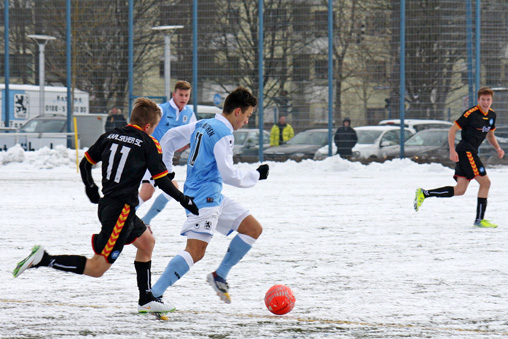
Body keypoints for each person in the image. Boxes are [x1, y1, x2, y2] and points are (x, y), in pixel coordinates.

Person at [13, 97, 199, 315]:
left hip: (112, 206)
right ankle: (44, 259)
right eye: (154, 127)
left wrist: (90, 187)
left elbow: (85, 163)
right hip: (119, 212)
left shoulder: (109, 135)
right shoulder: (149, 143)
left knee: (147, 242)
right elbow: (162, 180)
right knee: (97, 268)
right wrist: (183, 198)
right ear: (148, 126)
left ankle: (146, 299)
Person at [151, 87, 269, 305]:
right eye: (247, 116)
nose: (246, 121)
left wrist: (166, 169)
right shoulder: (224, 134)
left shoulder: (203, 124)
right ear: (237, 111)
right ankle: (153, 294)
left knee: (253, 229)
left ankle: (219, 275)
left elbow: (170, 137)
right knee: (195, 252)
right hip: (204, 200)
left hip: (210, 195)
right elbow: (228, 174)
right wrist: (256, 175)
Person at [414, 87, 505, 227]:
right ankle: (479, 220)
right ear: (478, 100)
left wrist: (498, 148)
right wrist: (452, 150)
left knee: (460, 190)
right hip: (466, 151)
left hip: (469, 152)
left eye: (488, 100)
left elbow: (490, 135)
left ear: (491, 101)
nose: (486, 102)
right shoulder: (471, 113)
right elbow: (452, 130)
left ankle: (424, 193)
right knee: (485, 183)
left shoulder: (492, 115)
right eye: (483, 100)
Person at [138, 80, 197, 226]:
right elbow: (146, 124)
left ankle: (139, 219)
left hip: (166, 160)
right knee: (151, 193)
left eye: (186, 95)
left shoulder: (189, 113)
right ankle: (127, 218)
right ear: (174, 94)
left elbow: (195, 134)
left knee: (156, 192)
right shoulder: (162, 109)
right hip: (153, 157)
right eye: (181, 95)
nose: (183, 98)